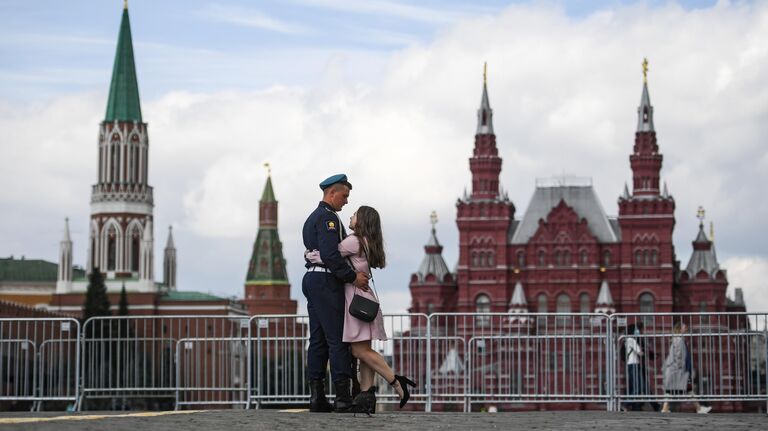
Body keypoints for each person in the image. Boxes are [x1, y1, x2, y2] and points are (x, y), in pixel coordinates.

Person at [306, 205, 416, 414]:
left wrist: (309, 255)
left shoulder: (354, 240)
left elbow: (329, 256)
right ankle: (367, 397)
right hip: (365, 301)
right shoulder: (367, 241)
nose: (351, 216)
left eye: (355, 214)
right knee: (365, 352)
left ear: (362, 220)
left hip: (356, 301)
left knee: (359, 350)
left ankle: (396, 382)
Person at [302, 174, 370, 413]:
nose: (347, 201)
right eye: (345, 195)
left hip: (313, 278)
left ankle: (317, 397)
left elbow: (314, 251)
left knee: (318, 340)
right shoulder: (329, 219)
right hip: (325, 281)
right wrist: (352, 277)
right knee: (338, 339)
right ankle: (343, 397)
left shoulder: (313, 217)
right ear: (332, 193)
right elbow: (331, 255)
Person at [660, 321, 711, 414]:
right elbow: (678, 356)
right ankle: (699, 409)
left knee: (682, 389)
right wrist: (681, 369)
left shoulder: (678, 339)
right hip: (678, 370)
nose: (686, 327)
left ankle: (665, 408)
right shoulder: (679, 340)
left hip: (676, 370)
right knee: (684, 389)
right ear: (680, 329)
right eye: (684, 326)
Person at [623, 324, 643, 411]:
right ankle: (626, 404)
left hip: (630, 364)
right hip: (633, 364)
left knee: (634, 386)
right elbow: (639, 352)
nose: (637, 331)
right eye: (636, 330)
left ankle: (632, 405)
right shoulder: (631, 340)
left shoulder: (627, 340)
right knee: (638, 386)